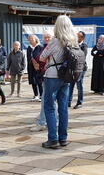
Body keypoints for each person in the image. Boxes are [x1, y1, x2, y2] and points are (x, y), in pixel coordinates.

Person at [40, 15, 78, 148]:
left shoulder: (54, 41)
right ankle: (63, 138)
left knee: (49, 107)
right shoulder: (73, 41)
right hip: (66, 77)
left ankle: (53, 139)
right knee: (63, 108)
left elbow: (42, 57)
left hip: (52, 76)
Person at [31, 31, 55, 132]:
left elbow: (41, 59)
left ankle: (42, 122)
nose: (47, 39)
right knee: (50, 101)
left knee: (46, 100)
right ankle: (50, 120)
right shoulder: (44, 47)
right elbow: (38, 59)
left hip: (51, 76)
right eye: (45, 37)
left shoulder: (52, 47)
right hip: (46, 76)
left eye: (48, 37)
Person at [68, 31, 88, 109]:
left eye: (78, 36)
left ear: (82, 38)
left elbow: (82, 57)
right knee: (71, 85)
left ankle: (80, 102)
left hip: (81, 69)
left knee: (79, 86)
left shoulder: (84, 46)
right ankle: (68, 101)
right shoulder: (73, 45)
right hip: (73, 68)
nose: (76, 38)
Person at [27, 34, 43, 101]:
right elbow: (28, 57)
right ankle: (36, 95)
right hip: (31, 67)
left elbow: (41, 57)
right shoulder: (29, 48)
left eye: (32, 39)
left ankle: (41, 95)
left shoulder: (39, 47)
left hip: (38, 67)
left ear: (35, 39)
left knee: (39, 81)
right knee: (32, 81)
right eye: (29, 39)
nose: (31, 40)